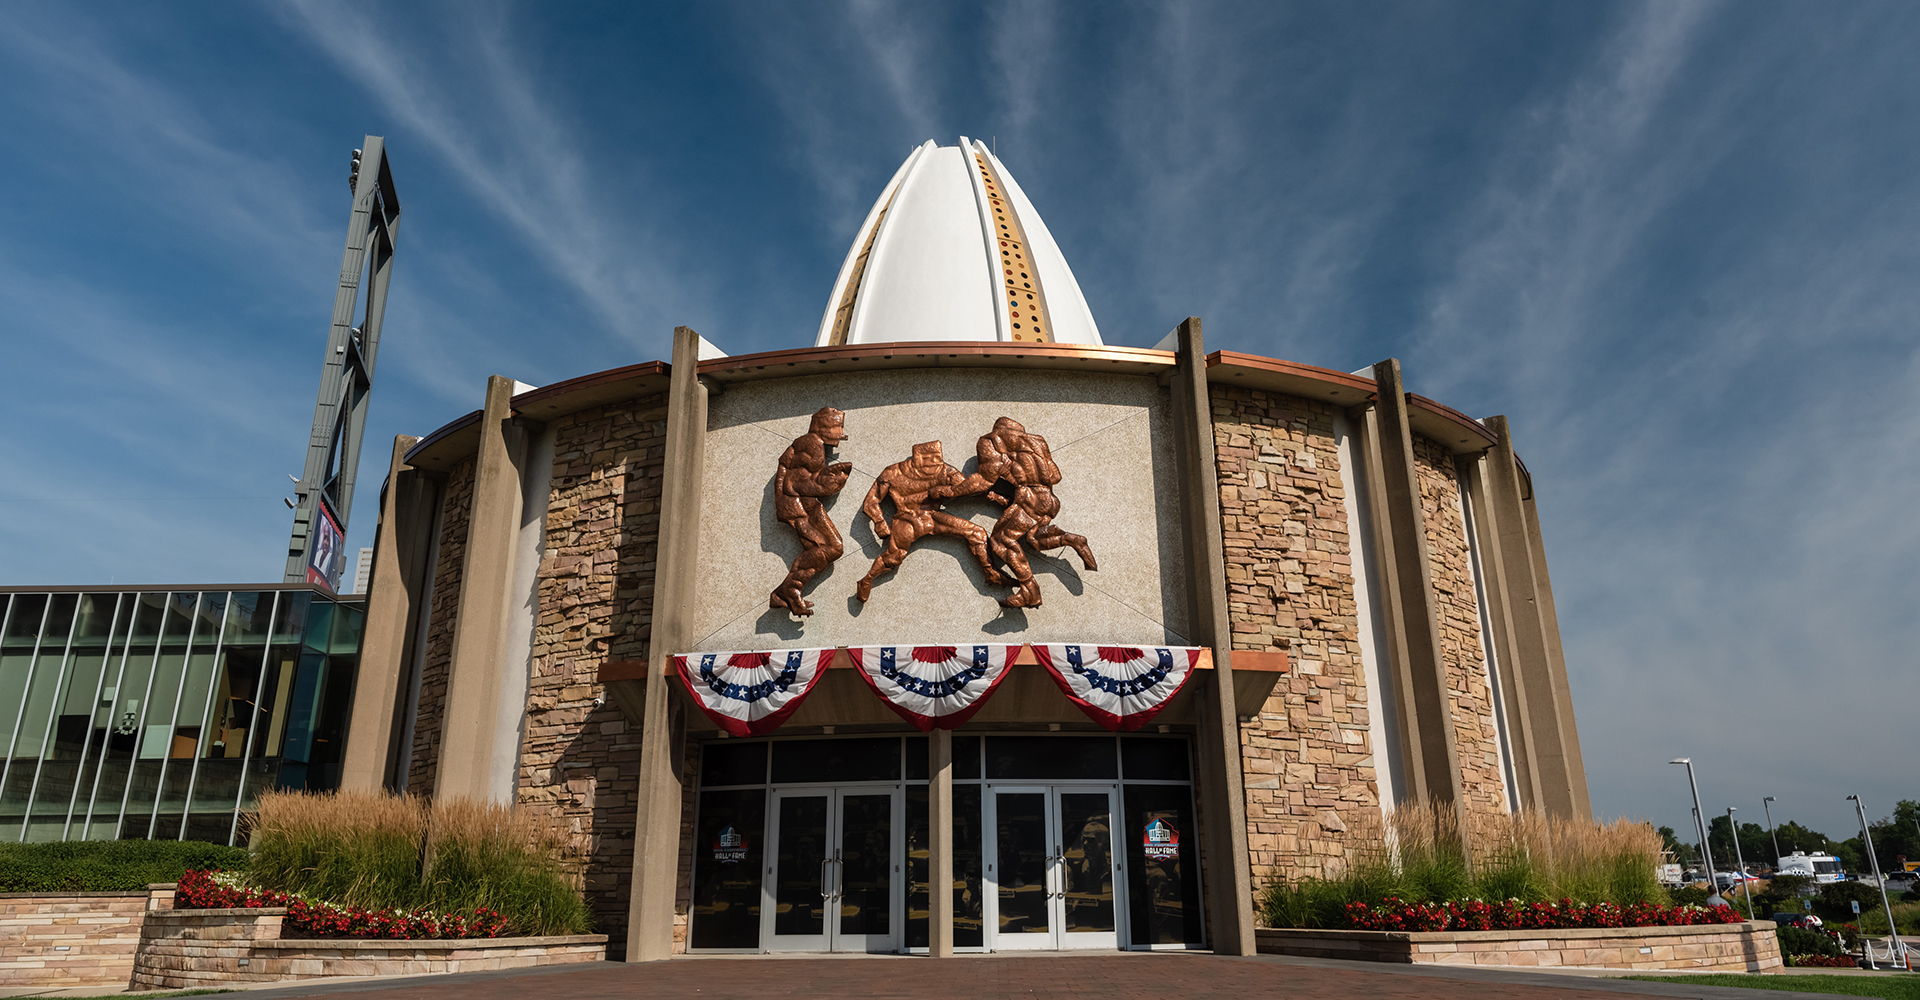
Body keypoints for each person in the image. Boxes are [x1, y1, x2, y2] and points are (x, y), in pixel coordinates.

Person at [770, 407, 852, 616]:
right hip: (798, 505)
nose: (839, 433)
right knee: (833, 547)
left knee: (824, 550)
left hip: (801, 504)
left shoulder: (809, 443)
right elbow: (795, 483)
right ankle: (789, 589)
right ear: (823, 426)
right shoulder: (812, 443)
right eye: (836, 427)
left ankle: (786, 592)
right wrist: (831, 485)